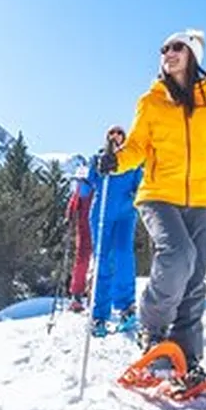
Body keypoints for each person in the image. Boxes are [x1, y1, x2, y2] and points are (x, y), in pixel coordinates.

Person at [97, 28, 206, 391]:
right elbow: (137, 146)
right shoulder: (151, 101)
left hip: (204, 199)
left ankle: (189, 357)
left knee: (195, 279)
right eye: (164, 49)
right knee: (177, 256)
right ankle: (152, 335)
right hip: (159, 193)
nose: (167, 53)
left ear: (193, 55)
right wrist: (116, 160)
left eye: (176, 47)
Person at [87, 126, 143, 337]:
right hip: (102, 215)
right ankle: (99, 314)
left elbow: (140, 183)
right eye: (112, 134)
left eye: (120, 134)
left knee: (123, 256)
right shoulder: (98, 158)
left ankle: (126, 308)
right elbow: (91, 181)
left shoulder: (133, 159)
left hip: (125, 214)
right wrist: (99, 170)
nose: (116, 137)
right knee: (103, 260)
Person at [65, 165, 93, 312]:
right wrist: (69, 216)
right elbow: (73, 203)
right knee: (82, 260)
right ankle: (76, 295)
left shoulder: (96, 191)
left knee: (96, 262)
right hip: (83, 230)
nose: (80, 185)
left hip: (95, 228)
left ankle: (90, 293)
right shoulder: (80, 192)